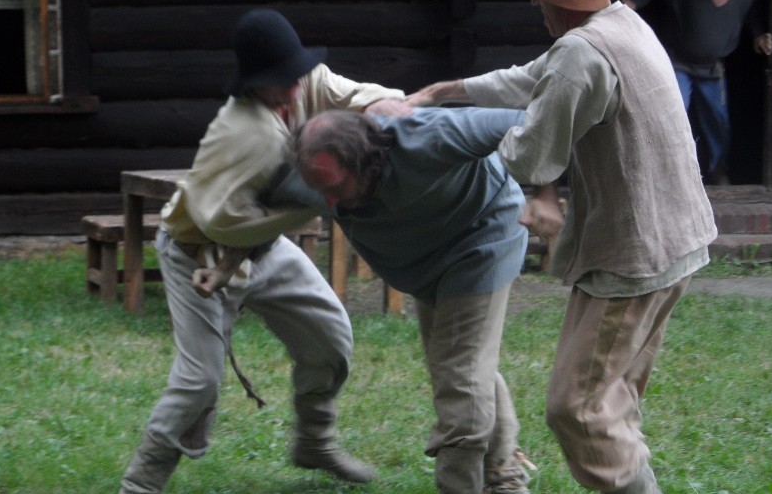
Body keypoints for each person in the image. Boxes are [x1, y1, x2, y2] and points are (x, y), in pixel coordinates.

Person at [407, 0, 718, 493]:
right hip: (680, 241)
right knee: (611, 400)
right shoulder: (622, 24)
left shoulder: (583, 51)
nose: (536, 9)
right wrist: (442, 92)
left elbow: (531, 158)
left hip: (635, 254)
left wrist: (454, 140)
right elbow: (533, 79)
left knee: (576, 408)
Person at [118, 8, 411, 494]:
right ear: (254, 81)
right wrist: (324, 203)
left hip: (265, 245)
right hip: (198, 252)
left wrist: (391, 106)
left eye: (296, 75)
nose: (295, 89)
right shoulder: (243, 134)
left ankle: (314, 442)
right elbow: (222, 221)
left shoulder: (304, 80)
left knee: (330, 335)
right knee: (199, 381)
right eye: (281, 81)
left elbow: (349, 94)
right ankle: (141, 484)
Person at [198, 105, 537, 493]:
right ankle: (506, 477)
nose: (328, 203)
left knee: (460, 378)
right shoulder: (309, 175)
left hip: (481, 239)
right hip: (423, 261)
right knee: (462, 364)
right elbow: (269, 213)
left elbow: (532, 120)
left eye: (336, 188)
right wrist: (227, 265)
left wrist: (543, 193)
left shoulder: (431, 136)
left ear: (367, 162)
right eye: (318, 190)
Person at [623, 0, 772, 184]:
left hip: (712, 69)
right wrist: (633, 1)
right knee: (673, 114)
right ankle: (669, 172)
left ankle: (718, 169)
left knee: (717, 120)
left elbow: (752, 14)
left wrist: (757, 35)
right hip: (678, 63)